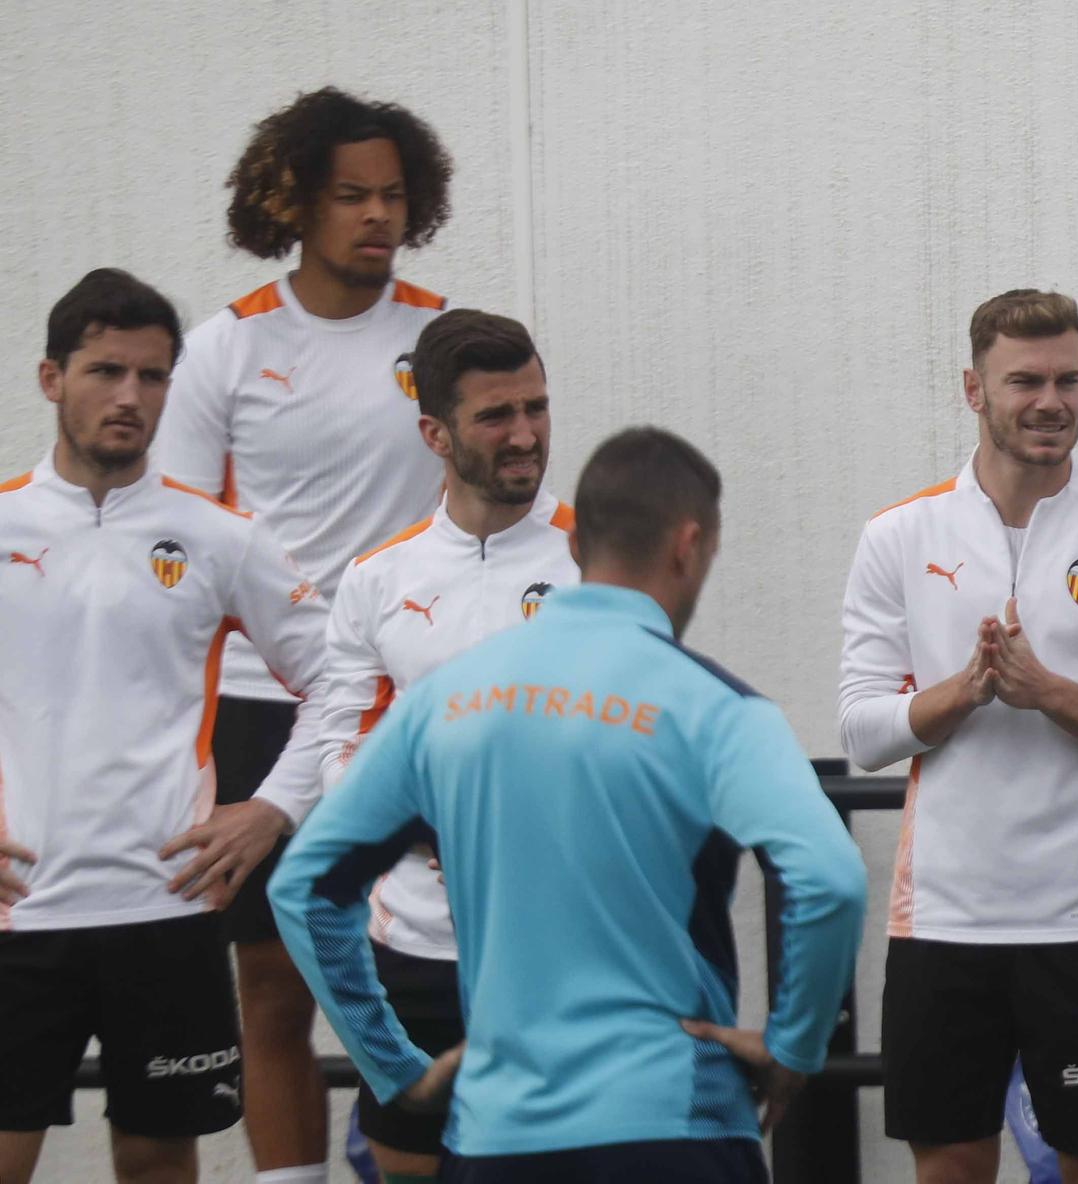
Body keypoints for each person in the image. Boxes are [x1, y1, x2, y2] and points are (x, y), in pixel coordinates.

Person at [271, 426, 868, 1182]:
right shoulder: (717, 707)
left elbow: (306, 889)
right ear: (689, 545)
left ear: (577, 541)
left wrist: (394, 1066)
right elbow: (829, 879)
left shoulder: (446, 702)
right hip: (672, 1123)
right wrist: (793, 1049)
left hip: (496, 1135)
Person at [152, 86, 456, 1184]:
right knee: (275, 988)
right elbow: (172, 548)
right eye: (349, 197)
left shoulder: (440, 337)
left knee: (423, 962)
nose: (376, 215)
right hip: (261, 701)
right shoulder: (222, 349)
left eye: (392, 196)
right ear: (293, 201)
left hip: (408, 697)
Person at [839, 289, 1078, 1184]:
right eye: (1026, 381)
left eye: (1069, 380)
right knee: (953, 1168)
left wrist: (1048, 692)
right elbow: (861, 732)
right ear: (973, 389)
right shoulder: (899, 536)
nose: (1052, 401)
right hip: (943, 925)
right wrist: (959, 695)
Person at [0, 269, 332, 1184]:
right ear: (49, 378)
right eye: (106, 372)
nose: (129, 397)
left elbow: (342, 680)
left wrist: (271, 809)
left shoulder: (219, 536)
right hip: (19, 917)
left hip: (167, 915)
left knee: (158, 1164)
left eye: (152, 377)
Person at [316, 310, 577, 1181]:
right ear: (435, 432)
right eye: (495, 416)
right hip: (417, 951)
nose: (525, 434)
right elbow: (339, 746)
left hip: (569, 951)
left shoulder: (603, 555)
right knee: (407, 1167)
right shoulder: (377, 578)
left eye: (536, 408)